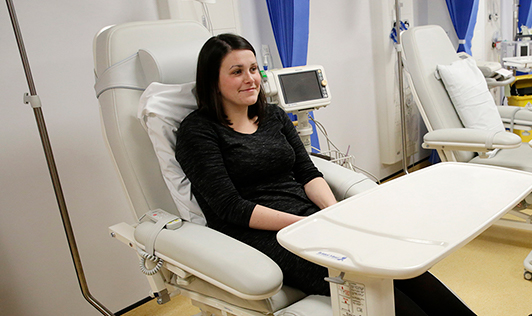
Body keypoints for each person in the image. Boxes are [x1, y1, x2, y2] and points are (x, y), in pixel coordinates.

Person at [175, 33, 475, 316]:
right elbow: (230, 207)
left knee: (395, 260)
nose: (250, 78)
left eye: (253, 68)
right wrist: (305, 225)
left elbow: (307, 172)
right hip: (259, 233)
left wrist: (334, 214)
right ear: (213, 81)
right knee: (362, 277)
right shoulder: (198, 131)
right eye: (236, 71)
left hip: (306, 217)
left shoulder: (274, 116)